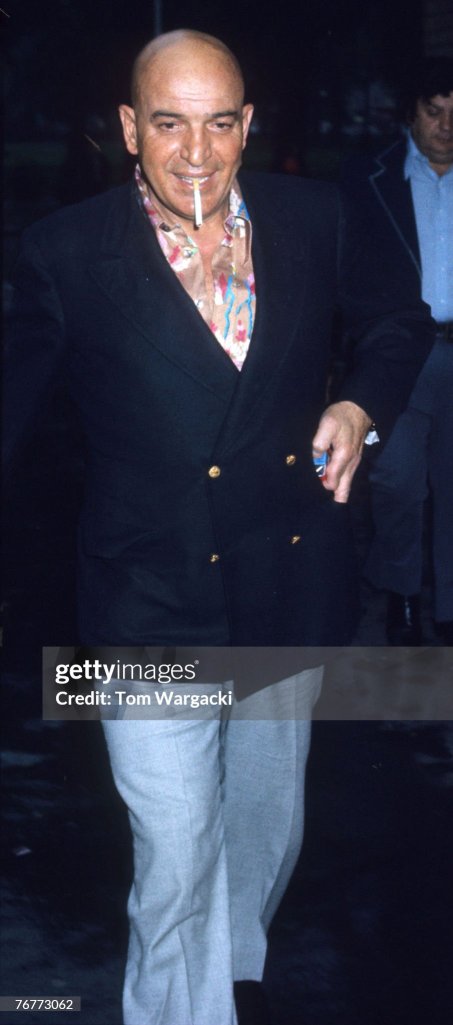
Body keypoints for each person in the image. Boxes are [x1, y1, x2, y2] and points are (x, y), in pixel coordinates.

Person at [4, 30, 434, 1025]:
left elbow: (397, 323)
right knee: (175, 846)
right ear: (128, 129)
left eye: (218, 124)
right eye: (168, 124)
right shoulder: (65, 253)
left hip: (288, 580)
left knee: (262, 827)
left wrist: (358, 406)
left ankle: (231, 975)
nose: (194, 152)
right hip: (147, 598)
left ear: (247, 125)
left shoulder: (315, 218)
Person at [342, 57, 453, 644]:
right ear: (411, 113)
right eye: (434, 112)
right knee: (397, 480)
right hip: (399, 356)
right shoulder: (369, 179)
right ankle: (403, 596)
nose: (446, 127)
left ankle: (449, 608)